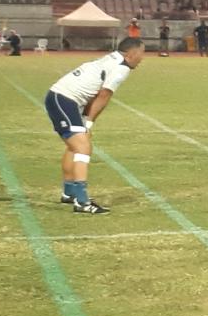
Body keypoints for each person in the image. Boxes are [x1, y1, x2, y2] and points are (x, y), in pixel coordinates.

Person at [43, 36, 145, 215]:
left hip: (61, 98)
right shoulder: (121, 68)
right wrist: (88, 123)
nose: (142, 58)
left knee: (74, 145)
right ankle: (81, 201)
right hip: (65, 99)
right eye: (141, 54)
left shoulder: (112, 58)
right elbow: (104, 95)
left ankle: (69, 193)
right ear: (131, 54)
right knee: (83, 147)